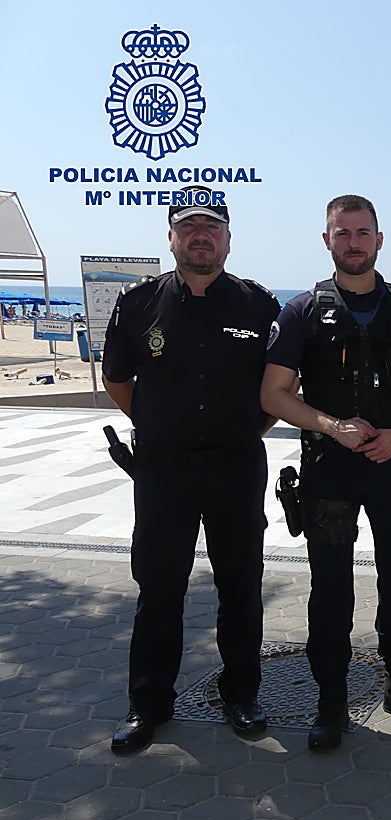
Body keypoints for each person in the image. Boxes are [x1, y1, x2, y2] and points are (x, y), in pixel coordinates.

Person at [260, 195, 391, 751]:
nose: (353, 242)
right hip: (329, 467)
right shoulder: (300, 312)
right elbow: (273, 393)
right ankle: (331, 700)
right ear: (327, 241)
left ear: (379, 240)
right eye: (342, 233)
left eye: (362, 232)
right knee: (331, 589)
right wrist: (332, 425)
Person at [102, 186, 280, 754]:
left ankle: (241, 694)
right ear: (172, 237)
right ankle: (148, 704)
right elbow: (118, 381)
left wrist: (244, 430)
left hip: (235, 466)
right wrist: (161, 426)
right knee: (158, 589)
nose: (200, 236)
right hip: (162, 471)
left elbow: (278, 389)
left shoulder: (259, 306)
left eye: (211, 227)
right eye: (189, 227)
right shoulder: (137, 304)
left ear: (228, 238)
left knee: (240, 587)